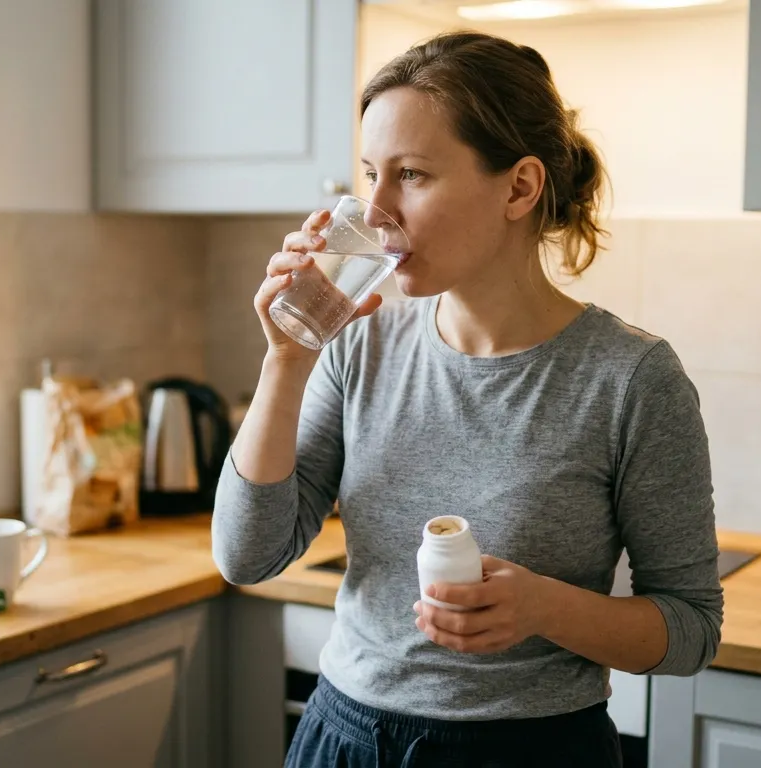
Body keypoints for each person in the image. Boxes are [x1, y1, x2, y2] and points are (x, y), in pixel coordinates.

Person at [212, 30, 722, 768]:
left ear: (519, 187)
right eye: (370, 175)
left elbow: (691, 629)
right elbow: (246, 556)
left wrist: (544, 608)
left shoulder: (631, 378)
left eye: (411, 175)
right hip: (345, 740)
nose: (375, 212)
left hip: (537, 753)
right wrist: (287, 359)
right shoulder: (358, 345)